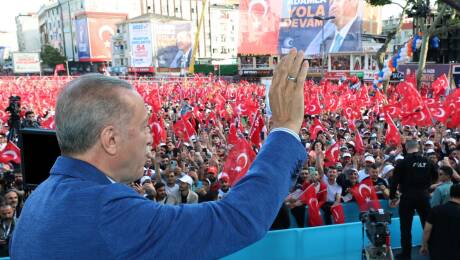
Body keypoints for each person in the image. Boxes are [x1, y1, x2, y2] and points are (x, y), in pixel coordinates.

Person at [11, 48, 309, 259]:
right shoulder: (109, 211)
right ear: (110, 139)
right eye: (143, 127)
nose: (151, 136)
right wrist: (284, 128)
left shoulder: (38, 199)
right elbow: (237, 219)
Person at [390, 140, 438, 259]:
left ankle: (406, 255)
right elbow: (436, 176)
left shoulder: (402, 163)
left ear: (406, 148)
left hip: (407, 197)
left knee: (405, 227)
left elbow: (394, 182)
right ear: (418, 147)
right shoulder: (428, 161)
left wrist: (392, 196)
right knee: (427, 224)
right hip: (424, 196)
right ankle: (434, 252)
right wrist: (426, 187)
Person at [420, 184, 460, 259]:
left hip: (437, 250)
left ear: (450, 194)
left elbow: (427, 230)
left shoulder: (435, 209)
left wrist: (424, 245)